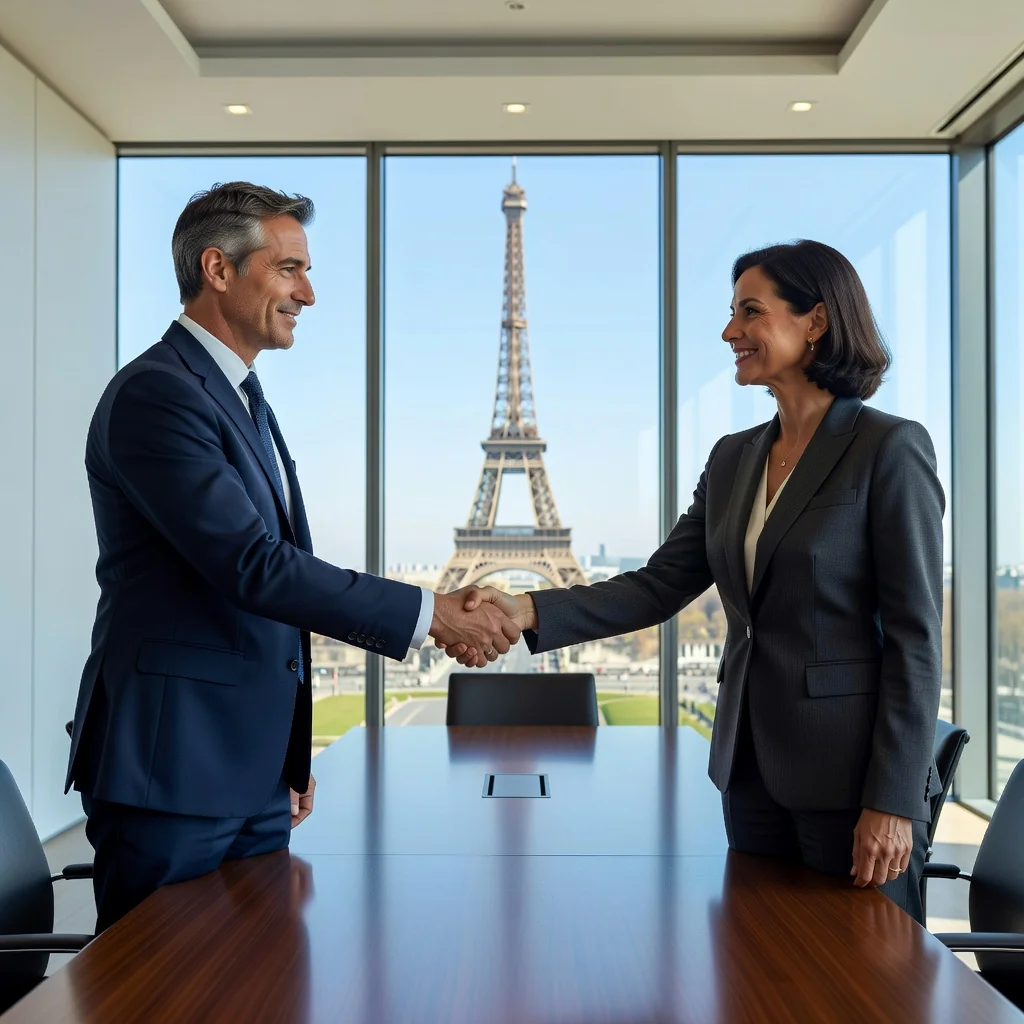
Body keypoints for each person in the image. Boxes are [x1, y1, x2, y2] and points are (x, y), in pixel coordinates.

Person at [66, 181, 520, 931]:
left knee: (258, 989)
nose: (308, 292)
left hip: (244, 772)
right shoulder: (160, 394)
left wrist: (285, 756)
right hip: (173, 773)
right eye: (289, 269)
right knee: (161, 999)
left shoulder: (237, 396)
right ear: (218, 269)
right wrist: (428, 612)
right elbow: (253, 565)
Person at [449, 239, 944, 923]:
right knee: (758, 969)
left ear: (816, 322)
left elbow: (917, 640)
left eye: (750, 312)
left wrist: (891, 802)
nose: (729, 332)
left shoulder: (889, 449)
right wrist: (524, 606)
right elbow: (658, 585)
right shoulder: (735, 457)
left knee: (861, 983)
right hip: (749, 773)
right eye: (730, 312)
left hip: (851, 783)